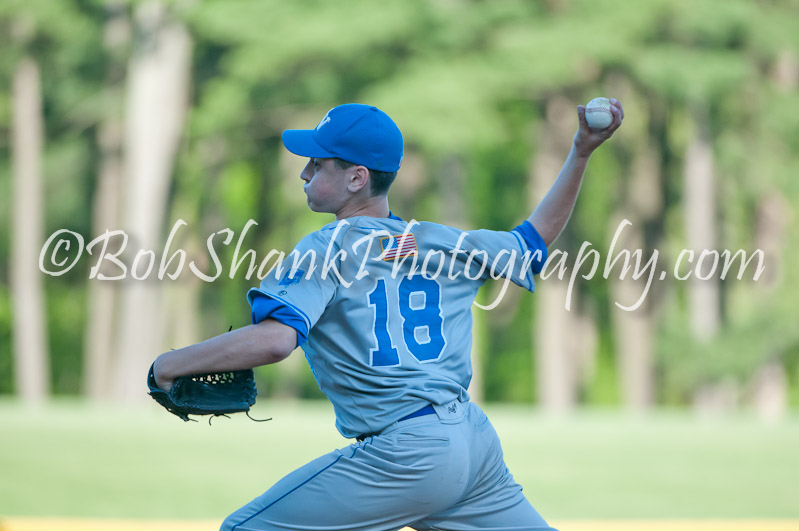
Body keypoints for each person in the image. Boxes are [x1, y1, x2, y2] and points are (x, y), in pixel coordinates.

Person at [151, 100, 623, 530]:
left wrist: (167, 366)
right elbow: (533, 240)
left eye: (318, 164)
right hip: (473, 443)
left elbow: (275, 341)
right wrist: (581, 152)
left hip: (407, 455)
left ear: (357, 178)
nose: (304, 173)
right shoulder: (438, 241)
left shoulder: (327, 248)